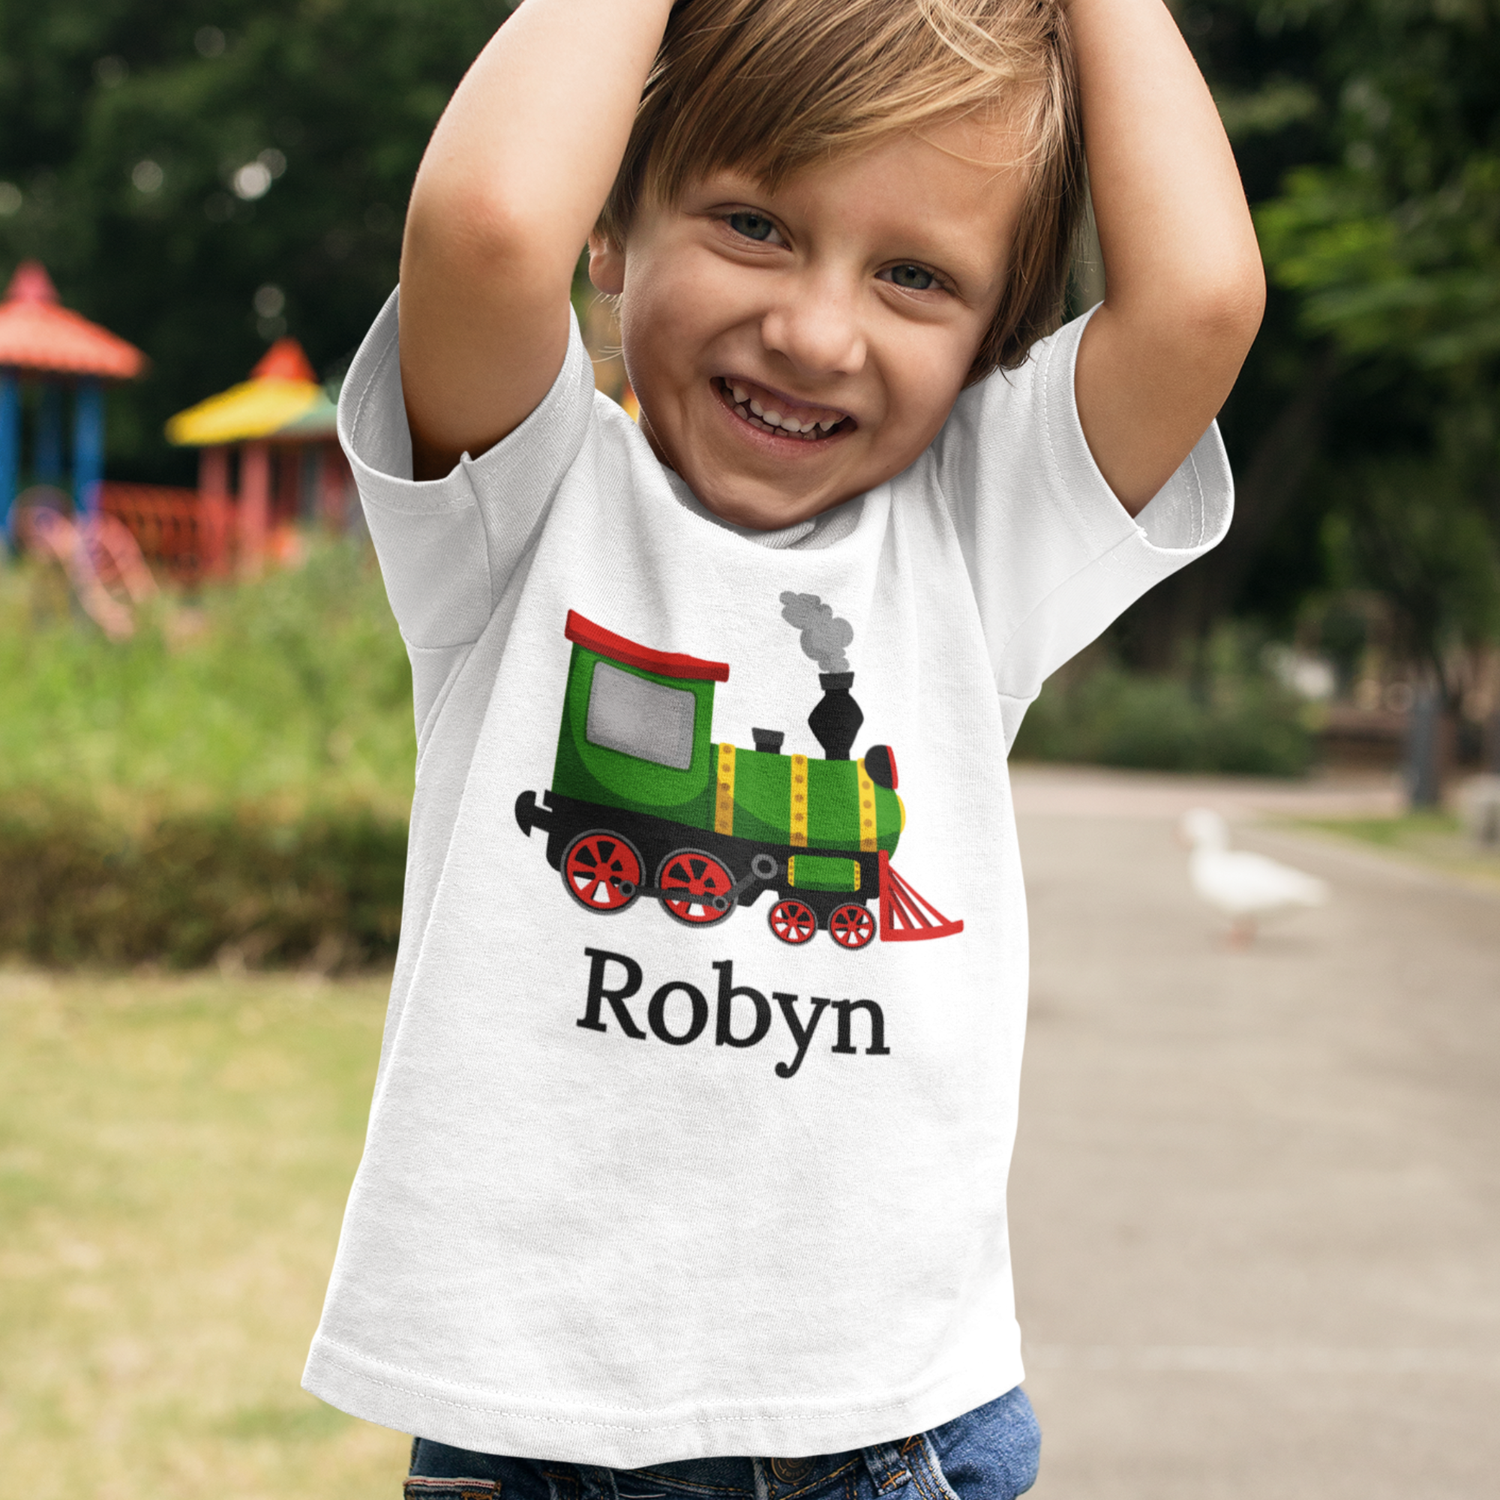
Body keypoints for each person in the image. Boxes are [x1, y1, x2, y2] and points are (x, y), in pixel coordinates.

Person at [304, 0, 1262, 1495]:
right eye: (753, 222)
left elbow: (1200, 298)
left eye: (915, 276)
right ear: (609, 234)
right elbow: (486, 221)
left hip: (889, 1439)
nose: (817, 330)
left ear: (994, 341)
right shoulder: (517, 504)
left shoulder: (975, 542)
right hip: (529, 1439)